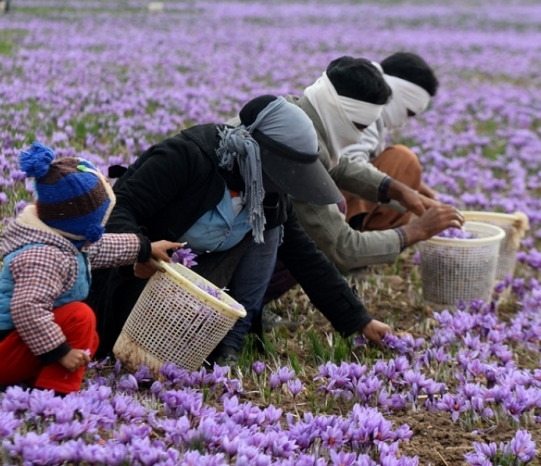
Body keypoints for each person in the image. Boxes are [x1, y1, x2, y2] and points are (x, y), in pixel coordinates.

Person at [88, 95, 393, 367]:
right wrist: (139, 251)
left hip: (194, 291)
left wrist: (359, 320)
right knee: (123, 347)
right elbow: (122, 206)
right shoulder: (187, 157)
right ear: (256, 153)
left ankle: (230, 342)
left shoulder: (268, 193)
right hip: (138, 278)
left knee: (272, 230)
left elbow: (306, 258)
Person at [260, 57, 463, 313]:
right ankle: (249, 305)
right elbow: (342, 246)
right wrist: (416, 231)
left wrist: (399, 190)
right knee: (309, 237)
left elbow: (338, 164)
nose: (358, 136)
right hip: (218, 255)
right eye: (359, 127)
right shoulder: (298, 153)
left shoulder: (295, 111)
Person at [0, 142, 179, 394]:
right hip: (4, 353)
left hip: (19, 344)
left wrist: (145, 248)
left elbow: (102, 248)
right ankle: (54, 395)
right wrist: (60, 351)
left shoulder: (61, 238)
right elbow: (27, 308)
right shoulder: (43, 256)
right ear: (86, 227)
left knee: (88, 339)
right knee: (80, 318)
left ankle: (26, 385)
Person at [341, 52, 440, 232]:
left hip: (318, 200)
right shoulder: (365, 108)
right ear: (396, 94)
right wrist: (403, 192)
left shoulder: (360, 95)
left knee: (404, 174)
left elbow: (370, 160)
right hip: (320, 208)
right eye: (409, 113)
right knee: (404, 160)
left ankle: (359, 243)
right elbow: (349, 166)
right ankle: (356, 245)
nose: (405, 122)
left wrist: (415, 188)